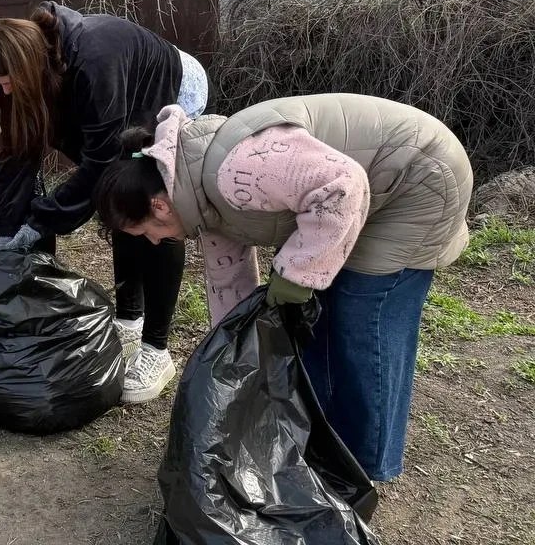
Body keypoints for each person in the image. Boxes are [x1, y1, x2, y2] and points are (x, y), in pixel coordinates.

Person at [93, 93, 472, 482]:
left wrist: (296, 275)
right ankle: (324, 447)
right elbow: (229, 281)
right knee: (318, 318)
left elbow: (342, 186)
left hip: (418, 175)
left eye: (147, 232)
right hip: (367, 189)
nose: (155, 242)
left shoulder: (234, 171)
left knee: (362, 318)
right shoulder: (200, 202)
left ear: (158, 206)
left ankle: (360, 471)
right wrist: (235, 352)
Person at [0, 2, 208, 403]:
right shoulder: (30, 71)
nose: (6, 91)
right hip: (116, 99)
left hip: (172, 88)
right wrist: (2, 235)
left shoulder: (94, 62)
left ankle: (156, 349)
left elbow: (100, 162)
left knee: (149, 204)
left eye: (9, 82)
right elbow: (16, 154)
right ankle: (129, 320)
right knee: (118, 206)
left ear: (29, 68)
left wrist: (40, 222)